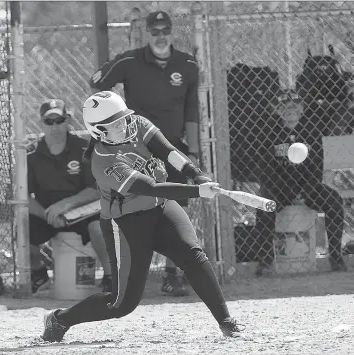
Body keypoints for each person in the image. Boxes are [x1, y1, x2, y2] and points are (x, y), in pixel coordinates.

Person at [41, 91, 244, 342]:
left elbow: (167, 150)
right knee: (121, 304)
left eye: (123, 118)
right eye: (114, 123)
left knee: (193, 255)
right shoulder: (103, 160)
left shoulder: (135, 124)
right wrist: (198, 191)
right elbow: (150, 187)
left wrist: (196, 173)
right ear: (99, 131)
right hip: (127, 224)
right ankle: (60, 319)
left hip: (161, 208)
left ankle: (227, 323)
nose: (124, 124)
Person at [89, 10, 200, 296]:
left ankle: (171, 274)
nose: (160, 36)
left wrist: (196, 152)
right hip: (135, 148)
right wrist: (124, 52)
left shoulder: (186, 64)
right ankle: (123, 275)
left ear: (172, 31)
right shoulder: (131, 60)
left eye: (165, 30)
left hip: (171, 147)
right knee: (140, 202)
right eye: (155, 31)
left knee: (178, 203)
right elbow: (97, 84)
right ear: (146, 33)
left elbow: (192, 110)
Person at [253, 89, 346, 275]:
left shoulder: (311, 130)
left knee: (334, 201)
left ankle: (336, 256)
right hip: (279, 187)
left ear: (302, 108)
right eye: (284, 107)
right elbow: (265, 168)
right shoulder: (268, 131)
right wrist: (287, 191)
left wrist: (305, 192)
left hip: (307, 187)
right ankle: (265, 260)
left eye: (295, 106)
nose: (290, 110)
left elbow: (317, 165)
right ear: (277, 110)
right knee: (264, 204)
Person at [28, 99, 111, 293]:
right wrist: (49, 215)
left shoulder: (83, 148)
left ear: (68, 121)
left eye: (60, 120)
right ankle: (39, 275)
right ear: (41, 124)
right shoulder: (31, 153)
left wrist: (65, 205)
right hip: (46, 214)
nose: (55, 126)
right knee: (22, 228)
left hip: (79, 211)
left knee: (99, 226)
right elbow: (24, 197)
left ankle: (110, 277)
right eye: (49, 122)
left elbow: (94, 189)